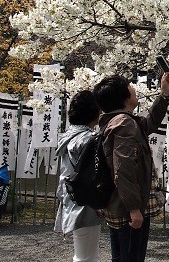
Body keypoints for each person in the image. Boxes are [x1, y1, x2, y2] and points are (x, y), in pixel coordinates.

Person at [93, 72, 169, 262]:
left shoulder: (118, 121)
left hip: (119, 204)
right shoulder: (124, 124)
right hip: (126, 207)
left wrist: (164, 94)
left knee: (123, 256)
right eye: (129, 86)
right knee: (131, 257)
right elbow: (124, 168)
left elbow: (150, 123)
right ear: (123, 97)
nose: (133, 87)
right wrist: (134, 209)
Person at [55, 90, 103, 262]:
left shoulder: (68, 136)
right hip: (86, 202)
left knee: (83, 254)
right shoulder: (88, 138)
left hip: (71, 197)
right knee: (87, 256)